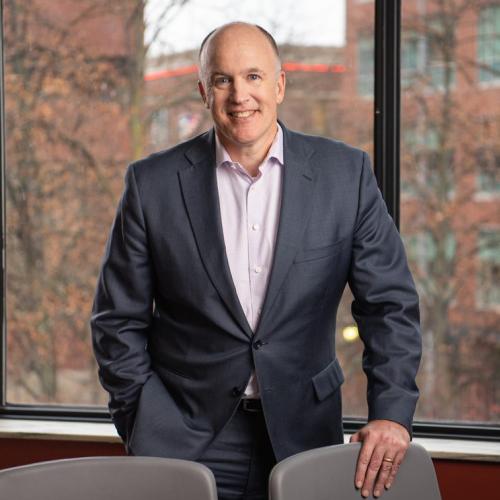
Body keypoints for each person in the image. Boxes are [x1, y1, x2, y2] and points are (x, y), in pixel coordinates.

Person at [91, 22, 421, 500]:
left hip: (305, 433)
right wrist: (139, 416)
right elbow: (117, 320)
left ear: (280, 85)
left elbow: (389, 305)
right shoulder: (152, 185)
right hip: (185, 436)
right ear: (204, 91)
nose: (239, 95)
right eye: (222, 79)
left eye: (253, 76)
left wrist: (391, 413)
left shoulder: (345, 175)